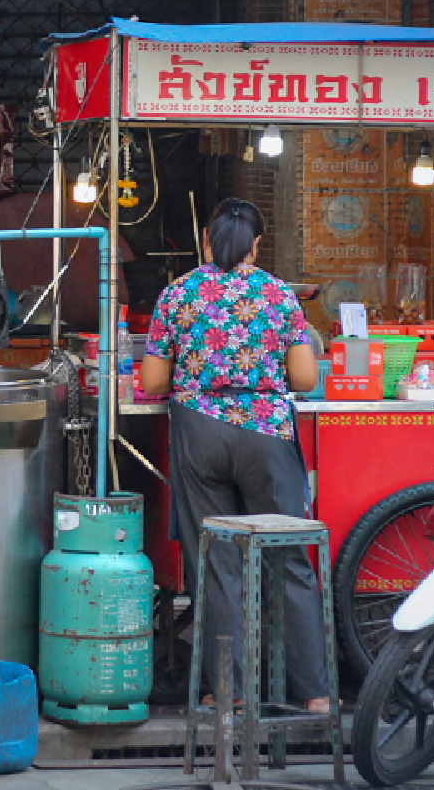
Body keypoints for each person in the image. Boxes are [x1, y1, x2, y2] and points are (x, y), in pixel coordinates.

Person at [138, 198, 330, 713]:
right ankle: (313, 694)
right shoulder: (277, 294)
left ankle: (230, 692)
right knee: (288, 557)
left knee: (216, 561)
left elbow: (154, 380)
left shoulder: (179, 293)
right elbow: (307, 379)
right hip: (265, 433)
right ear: (257, 243)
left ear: (206, 238)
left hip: (200, 433)